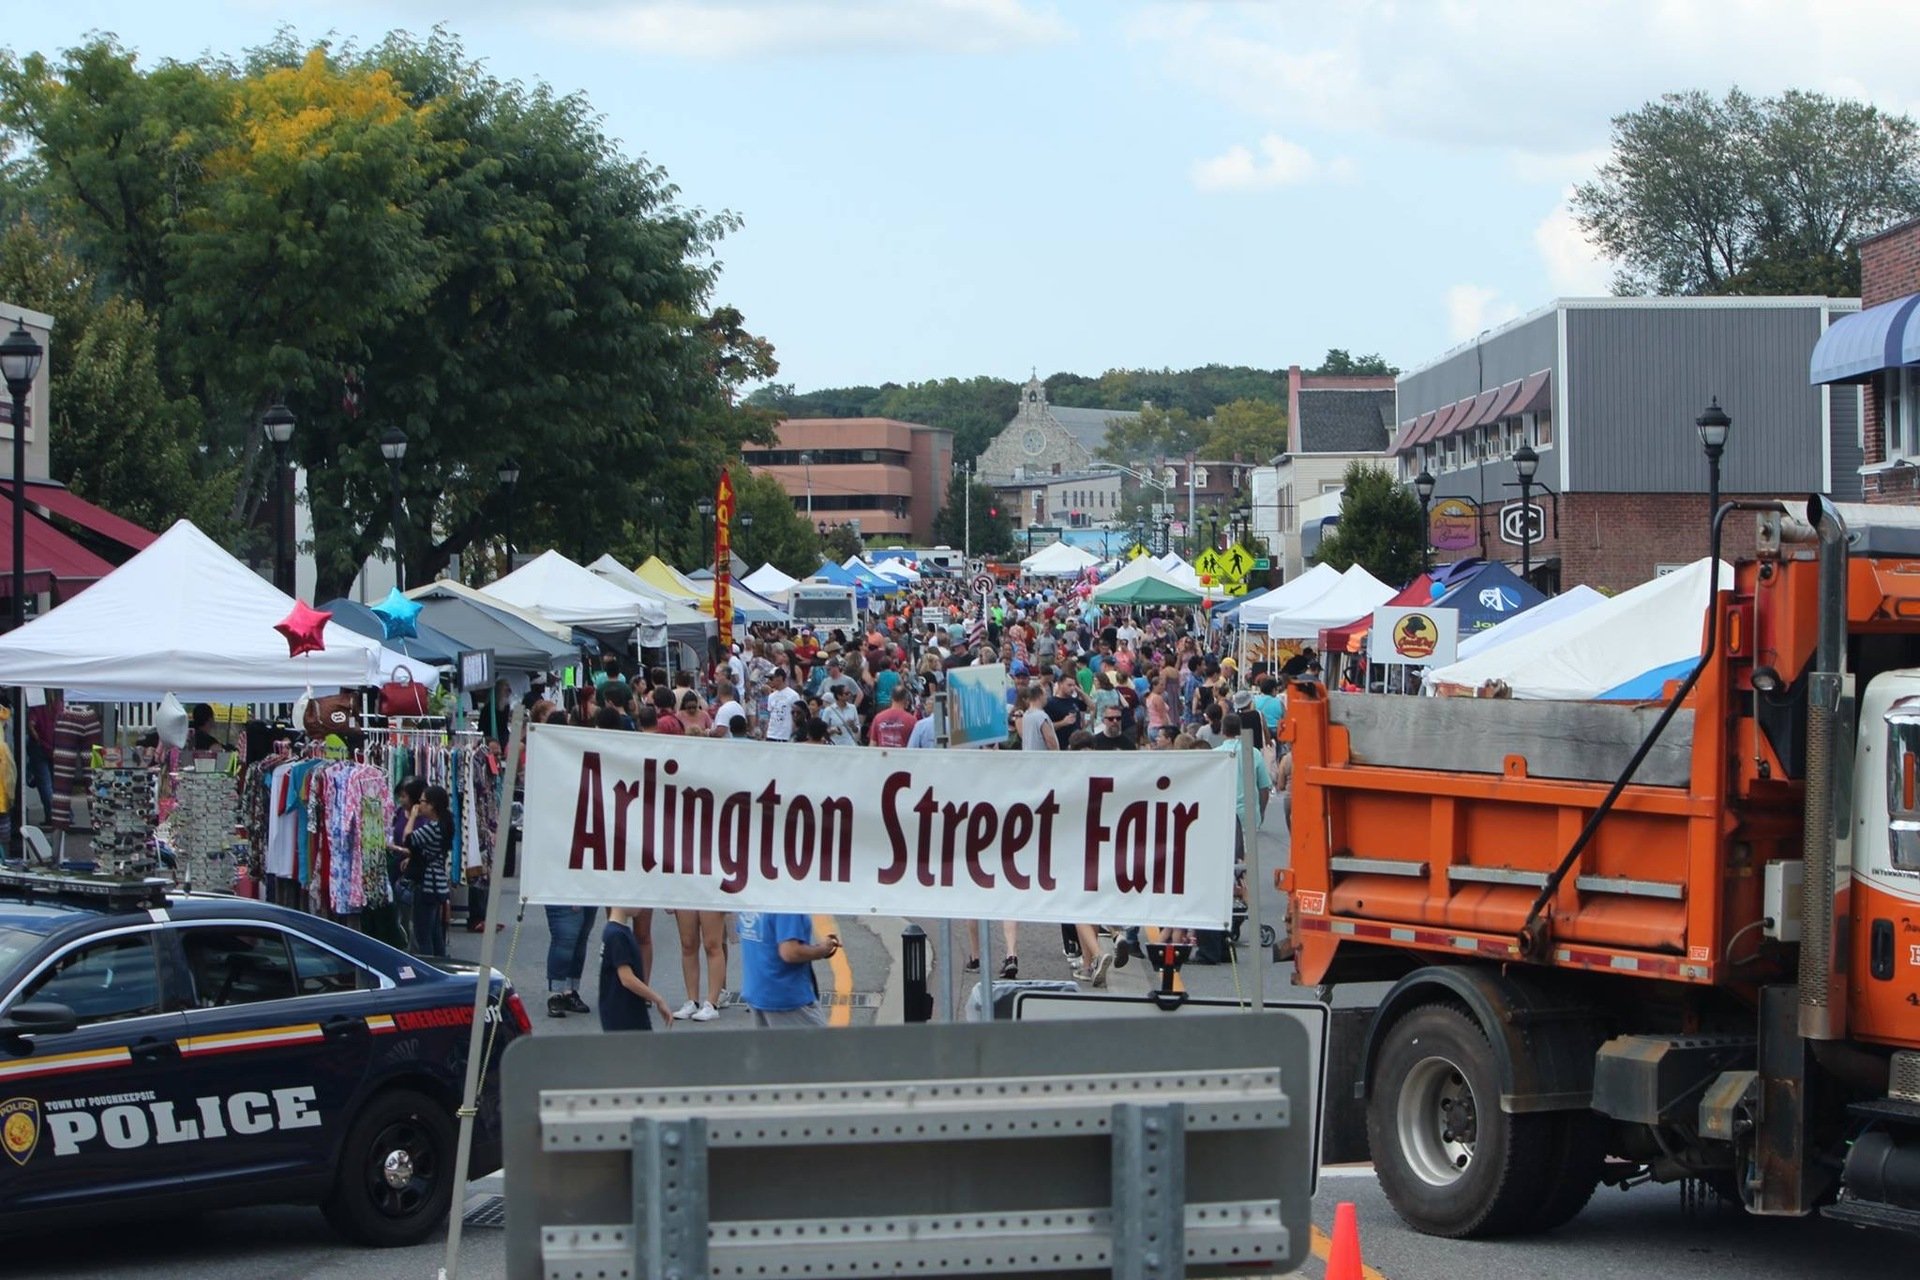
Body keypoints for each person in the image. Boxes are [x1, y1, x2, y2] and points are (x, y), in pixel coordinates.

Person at [737, 910, 839, 1027]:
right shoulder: (786, 903)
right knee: (822, 1044)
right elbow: (790, 952)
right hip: (786, 995)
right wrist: (823, 949)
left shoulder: (751, 898)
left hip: (757, 991)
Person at [598, 907, 675, 1031]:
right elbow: (626, 978)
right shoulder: (617, 935)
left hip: (624, 1011)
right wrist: (657, 999)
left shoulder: (616, 931)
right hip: (623, 1016)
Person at [400, 784, 454, 958]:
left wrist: (413, 817)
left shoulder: (433, 828)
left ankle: (430, 968)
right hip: (437, 883)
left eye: (423, 801)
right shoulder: (444, 825)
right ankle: (441, 965)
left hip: (427, 885)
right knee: (434, 932)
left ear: (432, 805)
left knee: (422, 934)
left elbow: (407, 838)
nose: (420, 805)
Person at [672, 906, 728, 1021]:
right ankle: (692, 1002)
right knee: (688, 944)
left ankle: (711, 1004)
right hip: (686, 891)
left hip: (711, 893)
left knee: (712, 944)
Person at [545, 902, 598, 1018]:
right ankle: (556, 994)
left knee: (581, 936)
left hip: (589, 887)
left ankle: (570, 991)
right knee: (565, 936)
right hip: (562, 888)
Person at [763, 667, 804, 742]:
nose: (769, 681)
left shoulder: (793, 695)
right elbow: (769, 716)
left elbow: (797, 716)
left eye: (771, 678)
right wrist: (766, 733)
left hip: (785, 735)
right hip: (771, 734)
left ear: (780, 678)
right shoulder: (771, 696)